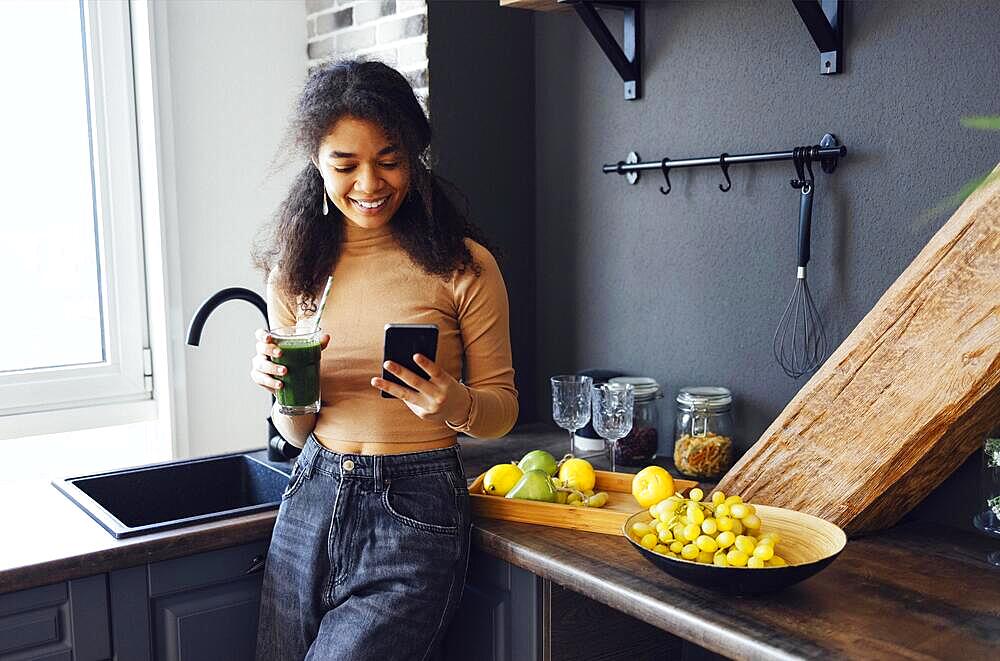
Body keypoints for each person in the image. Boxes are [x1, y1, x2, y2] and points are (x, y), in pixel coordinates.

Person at [249, 59, 518, 660]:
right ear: (317, 164)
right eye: (345, 165)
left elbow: (501, 409)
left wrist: (458, 403)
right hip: (312, 494)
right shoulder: (295, 274)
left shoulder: (465, 266)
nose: (369, 184)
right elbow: (295, 435)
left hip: (415, 510)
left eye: (389, 161)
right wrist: (284, 392)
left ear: (415, 157)